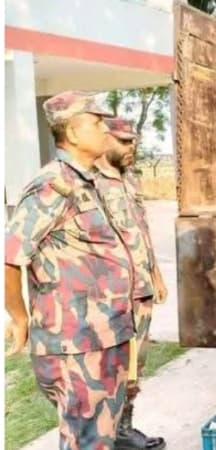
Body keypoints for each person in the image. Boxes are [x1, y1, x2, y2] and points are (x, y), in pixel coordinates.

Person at [4, 91, 134, 449]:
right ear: (73, 133)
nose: (105, 129)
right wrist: (19, 317)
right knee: (84, 440)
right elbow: (11, 255)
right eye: (96, 122)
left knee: (99, 438)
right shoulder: (52, 184)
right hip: (76, 344)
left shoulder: (85, 181)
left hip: (103, 336)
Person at [95, 118, 168, 450]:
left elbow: (141, 231)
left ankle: (124, 429)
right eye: (124, 142)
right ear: (105, 140)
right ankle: (102, 434)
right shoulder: (90, 184)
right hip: (109, 297)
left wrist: (156, 274)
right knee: (105, 372)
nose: (131, 148)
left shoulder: (130, 180)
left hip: (141, 293)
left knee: (135, 369)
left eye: (134, 142)